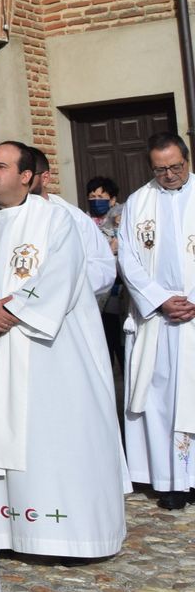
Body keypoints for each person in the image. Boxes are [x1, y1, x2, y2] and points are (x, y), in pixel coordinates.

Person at [0, 142, 127, 557]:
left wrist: (12, 309)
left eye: (1, 166)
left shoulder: (57, 219)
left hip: (46, 349)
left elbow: (62, 272)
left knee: (50, 433)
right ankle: (3, 534)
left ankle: (63, 538)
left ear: (26, 176)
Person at [118, 132, 195, 510]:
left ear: (188, 159)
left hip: (194, 314)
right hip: (159, 320)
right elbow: (128, 260)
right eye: (160, 169)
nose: (168, 175)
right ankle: (170, 481)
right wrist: (161, 299)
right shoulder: (138, 202)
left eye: (175, 167)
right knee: (161, 398)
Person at [28, 148, 116, 301]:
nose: (22, 178)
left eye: (28, 173)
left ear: (45, 178)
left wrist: (54, 289)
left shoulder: (74, 217)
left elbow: (103, 268)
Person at [85, 175, 127, 373]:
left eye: (101, 196)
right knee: (101, 343)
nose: (95, 200)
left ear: (112, 199)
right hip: (94, 292)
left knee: (120, 339)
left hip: (118, 290)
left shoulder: (122, 218)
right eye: (92, 196)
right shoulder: (84, 221)